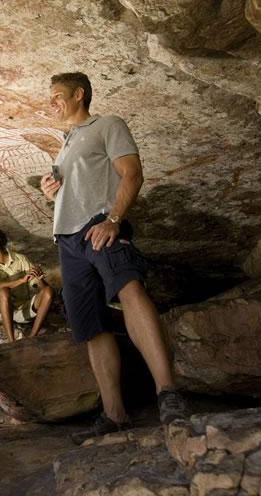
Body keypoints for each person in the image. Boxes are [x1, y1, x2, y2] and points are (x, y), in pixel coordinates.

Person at [41, 72, 187, 443]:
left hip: (99, 224)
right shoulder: (65, 144)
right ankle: (114, 414)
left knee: (129, 287)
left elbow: (132, 174)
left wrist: (113, 220)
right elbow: (70, 189)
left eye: (58, 95)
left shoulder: (107, 125)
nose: (52, 103)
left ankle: (168, 394)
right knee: (92, 326)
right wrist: (50, 191)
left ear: (79, 94)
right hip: (67, 240)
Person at [0, 225, 55, 343]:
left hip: (21, 311)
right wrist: (22, 280)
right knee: (4, 291)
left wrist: (39, 279)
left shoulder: (21, 259)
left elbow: (43, 290)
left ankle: (32, 337)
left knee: (48, 291)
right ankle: (11, 341)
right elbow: (0, 286)